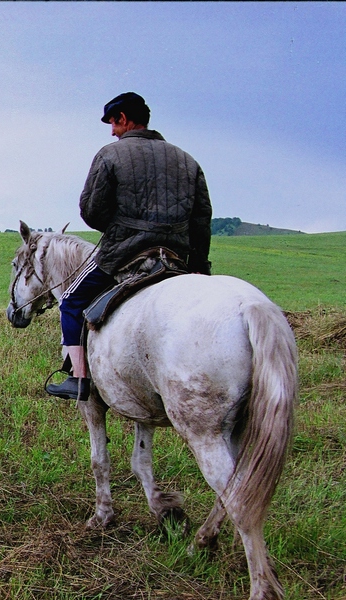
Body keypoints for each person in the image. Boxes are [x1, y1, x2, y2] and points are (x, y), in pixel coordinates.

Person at [46, 92, 213, 401]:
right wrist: (199, 265)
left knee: (70, 302)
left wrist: (122, 227)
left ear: (122, 118)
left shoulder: (110, 155)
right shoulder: (187, 159)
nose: (112, 131)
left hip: (124, 252)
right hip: (176, 255)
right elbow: (202, 218)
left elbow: (92, 211)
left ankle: (78, 378)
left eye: (112, 123)